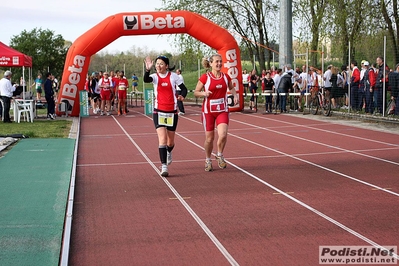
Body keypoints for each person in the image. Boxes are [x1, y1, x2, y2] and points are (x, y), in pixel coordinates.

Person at [143, 55, 188, 177]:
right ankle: (164, 166)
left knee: (170, 142)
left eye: (161, 64)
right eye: (157, 64)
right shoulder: (154, 77)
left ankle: (169, 151)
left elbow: (184, 89)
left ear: (167, 66)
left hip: (172, 112)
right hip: (159, 111)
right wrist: (147, 69)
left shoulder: (174, 77)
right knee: (162, 139)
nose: (158, 66)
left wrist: (182, 96)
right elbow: (146, 80)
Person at [193, 54, 239, 172]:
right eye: (216, 62)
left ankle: (219, 154)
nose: (219, 64)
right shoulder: (205, 77)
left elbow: (232, 87)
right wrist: (204, 94)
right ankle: (208, 159)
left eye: (220, 62)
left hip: (222, 110)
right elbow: (196, 92)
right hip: (208, 112)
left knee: (223, 134)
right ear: (211, 63)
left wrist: (235, 95)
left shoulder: (225, 77)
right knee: (209, 139)